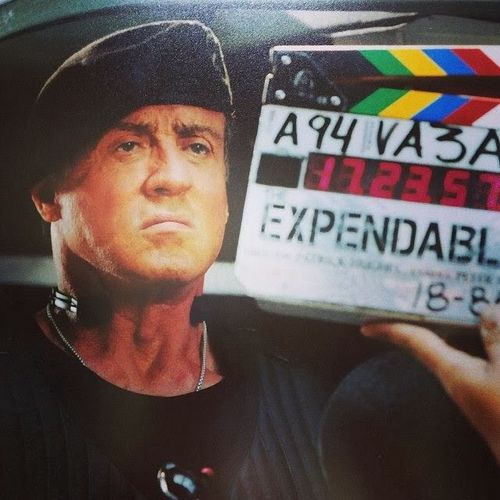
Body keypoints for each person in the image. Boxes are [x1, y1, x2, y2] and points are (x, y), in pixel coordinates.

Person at [1, 21, 328, 499]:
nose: (172, 178)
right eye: (129, 145)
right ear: (50, 196)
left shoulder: (311, 403)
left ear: (226, 200)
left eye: (198, 147)